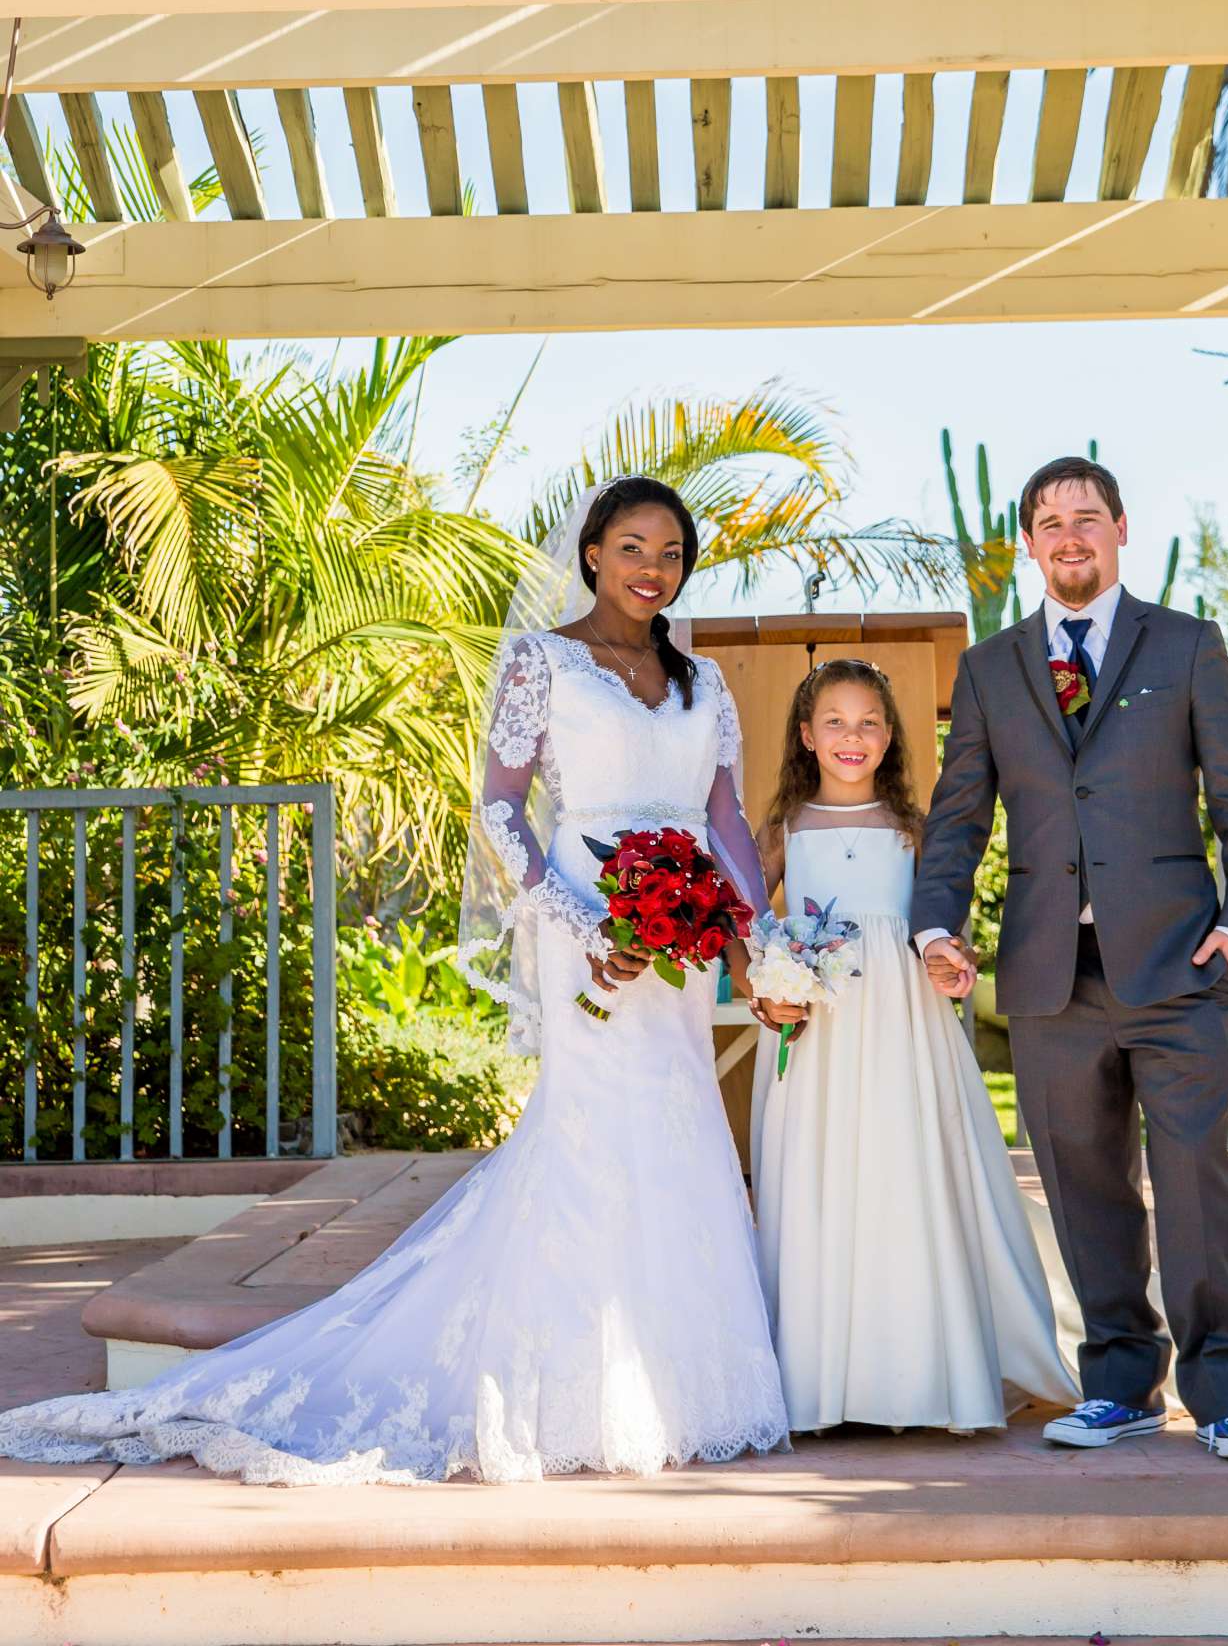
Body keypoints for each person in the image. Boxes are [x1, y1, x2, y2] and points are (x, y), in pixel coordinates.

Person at [0, 477, 791, 1485]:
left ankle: (677, 1382)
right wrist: (578, 919)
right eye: (632, 545)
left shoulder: (704, 682)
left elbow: (723, 818)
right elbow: (502, 811)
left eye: (671, 551)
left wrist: (750, 935)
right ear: (591, 553)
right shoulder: (542, 662)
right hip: (583, 909)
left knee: (681, 1122)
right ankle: (570, 1388)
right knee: (597, 1130)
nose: (651, 567)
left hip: (676, 931)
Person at [912, 456, 1228, 1462]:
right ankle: (1119, 1383)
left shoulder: (1189, 645)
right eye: (1048, 521)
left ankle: (1224, 1395)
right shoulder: (990, 668)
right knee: (1084, 1184)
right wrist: (932, 924)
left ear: (1120, 530)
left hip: (1178, 963)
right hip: (1046, 972)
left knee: (1194, 1176)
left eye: (1087, 517)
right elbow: (958, 817)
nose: (1069, 535)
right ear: (1028, 544)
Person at [749, 658, 1073, 1434]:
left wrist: (952, 962)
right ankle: (822, 1384)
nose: (851, 737)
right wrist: (768, 985)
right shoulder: (783, 831)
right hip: (817, 1033)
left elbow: (942, 929)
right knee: (820, 1179)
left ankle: (918, 1374)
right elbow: (745, 925)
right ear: (805, 736)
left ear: (891, 737)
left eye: (868, 723)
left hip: (902, 1031)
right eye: (834, 722)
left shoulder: (913, 830)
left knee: (903, 1173)